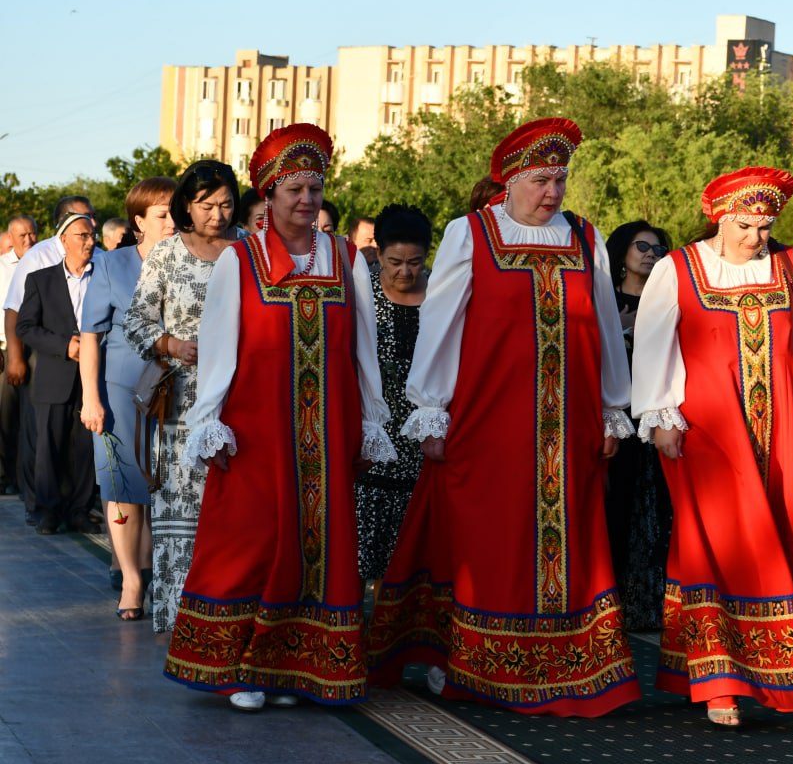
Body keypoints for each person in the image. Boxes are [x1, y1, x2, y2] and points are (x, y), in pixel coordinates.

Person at [368, 117, 641, 717]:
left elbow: (601, 327)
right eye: (542, 180)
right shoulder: (471, 234)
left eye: (561, 179)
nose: (553, 192)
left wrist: (611, 408)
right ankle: (462, 657)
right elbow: (441, 326)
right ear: (513, 179)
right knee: (482, 538)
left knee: (565, 538)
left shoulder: (584, 239)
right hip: (486, 421)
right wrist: (432, 409)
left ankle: (566, 662)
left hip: (566, 425)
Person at [633, 167, 793, 727]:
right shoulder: (678, 270)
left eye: (765, 227)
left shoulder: (791, 266)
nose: (756, 238)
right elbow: (653, 349)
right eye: (746, 226)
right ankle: (719, 681)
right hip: (710, 432)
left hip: (788, 427)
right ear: (720, 217)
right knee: (716, 545)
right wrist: (660, 413)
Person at [165, 124, 395, 711]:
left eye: (315, 188)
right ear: (268, 194)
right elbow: (218, 348)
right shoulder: (240, 260)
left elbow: (363, 346)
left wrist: (372, 420)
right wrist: (209, 420)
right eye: (294, 188)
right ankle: (244, 667)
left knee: (316, 546)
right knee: (254, 543)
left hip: (329, 431)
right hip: (257, 432)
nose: (306, 200)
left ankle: (296, 667)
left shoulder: (345, 258)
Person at [123, 161, 240, 632]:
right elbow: (135, 322)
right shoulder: (168, 253)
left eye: (226, 203)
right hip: (182, 403)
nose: (218, 213)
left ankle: (230, 614)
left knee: (232, 509)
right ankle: (180, 618)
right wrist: (171, 344)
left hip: (240, 399)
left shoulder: (248, 252)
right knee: (182, 513)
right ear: (186, 206)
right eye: (207, 204)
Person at [79, 177, 176, 619]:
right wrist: (90, 399)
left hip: (178, 391)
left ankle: (154, 570)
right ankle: (132, 581)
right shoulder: (112, 266)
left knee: (164, 485)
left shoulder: (192, 262)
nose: (173, 222)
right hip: (118, 392)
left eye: (177, 211)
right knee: (121, 487)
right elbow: (91, 336)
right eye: (162, 214)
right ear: (139, 221)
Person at [7, 198, 99, 524]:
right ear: (63, 241)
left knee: (85, 447)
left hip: (93, 377)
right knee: (49, 445)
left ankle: (79, 510)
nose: (89, 242)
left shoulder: (103, 273)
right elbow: (24, 325)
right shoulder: (40, 277)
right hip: (52, 373)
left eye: (91, 235)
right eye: (81, 236)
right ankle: (46, 510)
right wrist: (64, 345)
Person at [603, 219, 675, 631]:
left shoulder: (669, 300)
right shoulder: (605, 299)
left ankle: (655, 601)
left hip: (661, 418)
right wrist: (621, 329)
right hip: (618, 418)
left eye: (658, 248)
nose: (650, 254)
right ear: (623, 254)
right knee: (619, 505)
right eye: (641, 246)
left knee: (659, 507)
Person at [354, 203, 431, 581]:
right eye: (395, 261)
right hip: (374, 427)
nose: (405, 271)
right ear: (378, 253)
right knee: (366, 536)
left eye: (414, 262)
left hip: (423, 433)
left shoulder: (441, 295)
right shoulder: (361, 292)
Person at [0, 215, 38, 496]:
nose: (29, 240)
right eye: (22, 236)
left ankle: (27, 478)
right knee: (6, 416)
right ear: (10, 238)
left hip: (36, 349)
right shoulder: (2, 268)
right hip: (5, 351)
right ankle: (4, 475)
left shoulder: (43, 261)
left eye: (32, 234)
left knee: (30, 416)